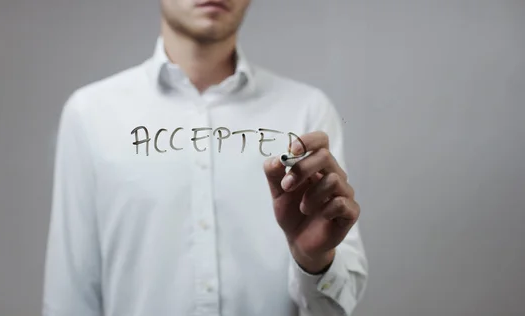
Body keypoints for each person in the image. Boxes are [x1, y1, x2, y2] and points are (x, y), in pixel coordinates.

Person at [42, 0, 368, 315]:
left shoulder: (306, 113)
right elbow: (70, 296)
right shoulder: (90, 114)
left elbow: (336, 309)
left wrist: (314, 261)